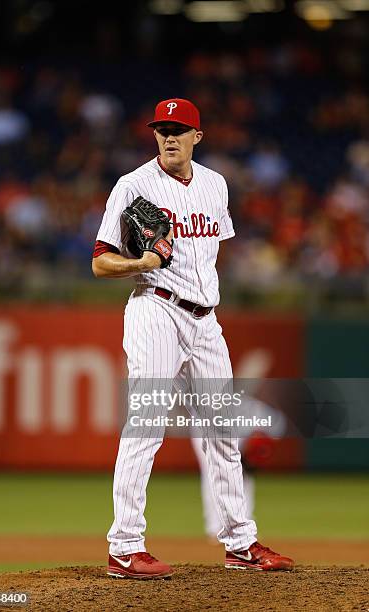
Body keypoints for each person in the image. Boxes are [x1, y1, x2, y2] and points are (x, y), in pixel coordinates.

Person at [92, 98, 294, 578]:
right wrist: (138, 263)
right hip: (155, 309)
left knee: (223, 432)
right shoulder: (133, 185)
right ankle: (124, 547)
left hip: (205, 320)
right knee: (146, 425)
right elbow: (100, 260)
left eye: (179, 129)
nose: (169, 136)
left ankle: (240, 543)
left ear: (197, 137)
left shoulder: (214, 184)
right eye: (162, 128)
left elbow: (207, 257)